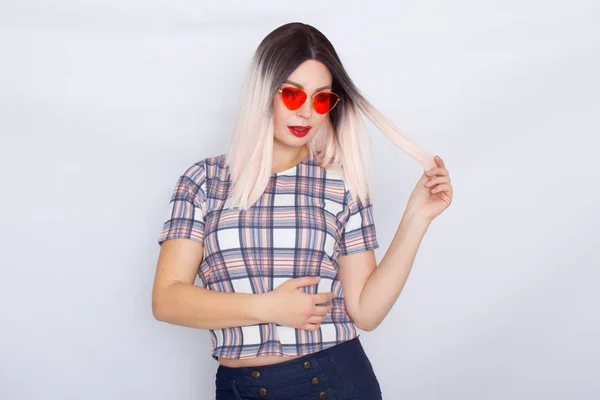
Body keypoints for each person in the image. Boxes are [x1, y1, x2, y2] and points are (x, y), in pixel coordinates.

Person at [152, 22, 453, 400]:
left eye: (322, 99)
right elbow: (167, 300)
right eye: (293, 95)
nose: (307, 113)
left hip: (330, 381)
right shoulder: (203, 181)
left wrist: (416, 219)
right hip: (236, 389)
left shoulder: (341, 185)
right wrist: (268, 307)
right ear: (264, 93)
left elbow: (366, 312)